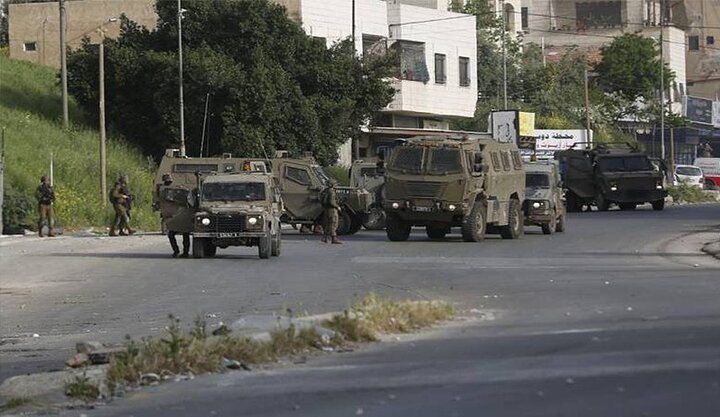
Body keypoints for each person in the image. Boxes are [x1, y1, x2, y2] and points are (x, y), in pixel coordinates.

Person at [320, 179, 342, 244]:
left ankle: (325, 237)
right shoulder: (332, 191)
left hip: (326, 209)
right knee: (333, 223)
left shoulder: (325, 191)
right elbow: (331, 202)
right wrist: (337, 206)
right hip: (332, 210)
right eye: (335, 184)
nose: (336, 185)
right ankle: (334, 238)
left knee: (328, 224)